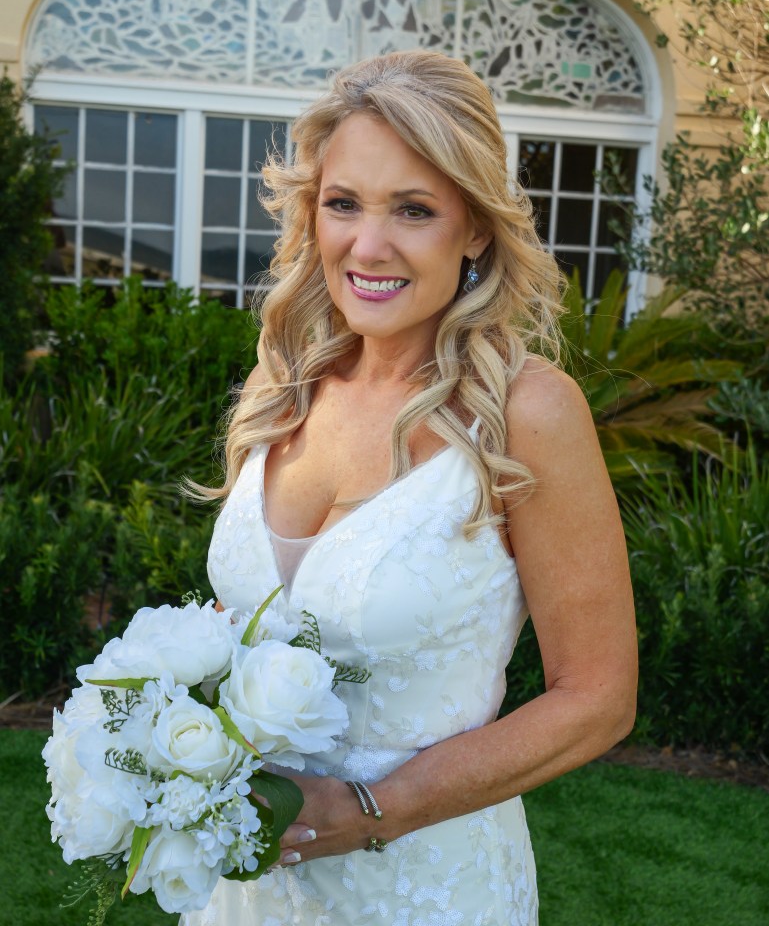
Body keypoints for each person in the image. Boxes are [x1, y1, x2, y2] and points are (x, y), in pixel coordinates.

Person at [181, 49, 637, 925]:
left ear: (476, 230)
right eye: (343, 203)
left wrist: (371, 811)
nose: (367, 245)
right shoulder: (282, 386)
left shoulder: (525, 412)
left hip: (426, 888)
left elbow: (597, 699)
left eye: (414, 210)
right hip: (244, 889)